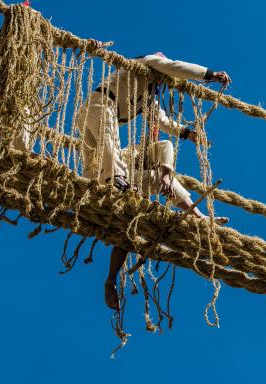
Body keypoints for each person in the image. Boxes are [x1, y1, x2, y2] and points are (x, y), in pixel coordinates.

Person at [74, 51, 231, 310]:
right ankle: (116, 179)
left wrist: (187, 133)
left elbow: (162, 121)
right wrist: (209, 74)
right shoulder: (145, 64)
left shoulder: (148, 95)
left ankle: (198, 217)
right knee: (107, 138)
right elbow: (176, 66)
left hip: (119, 170)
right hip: (100, 113)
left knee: (160, 170)